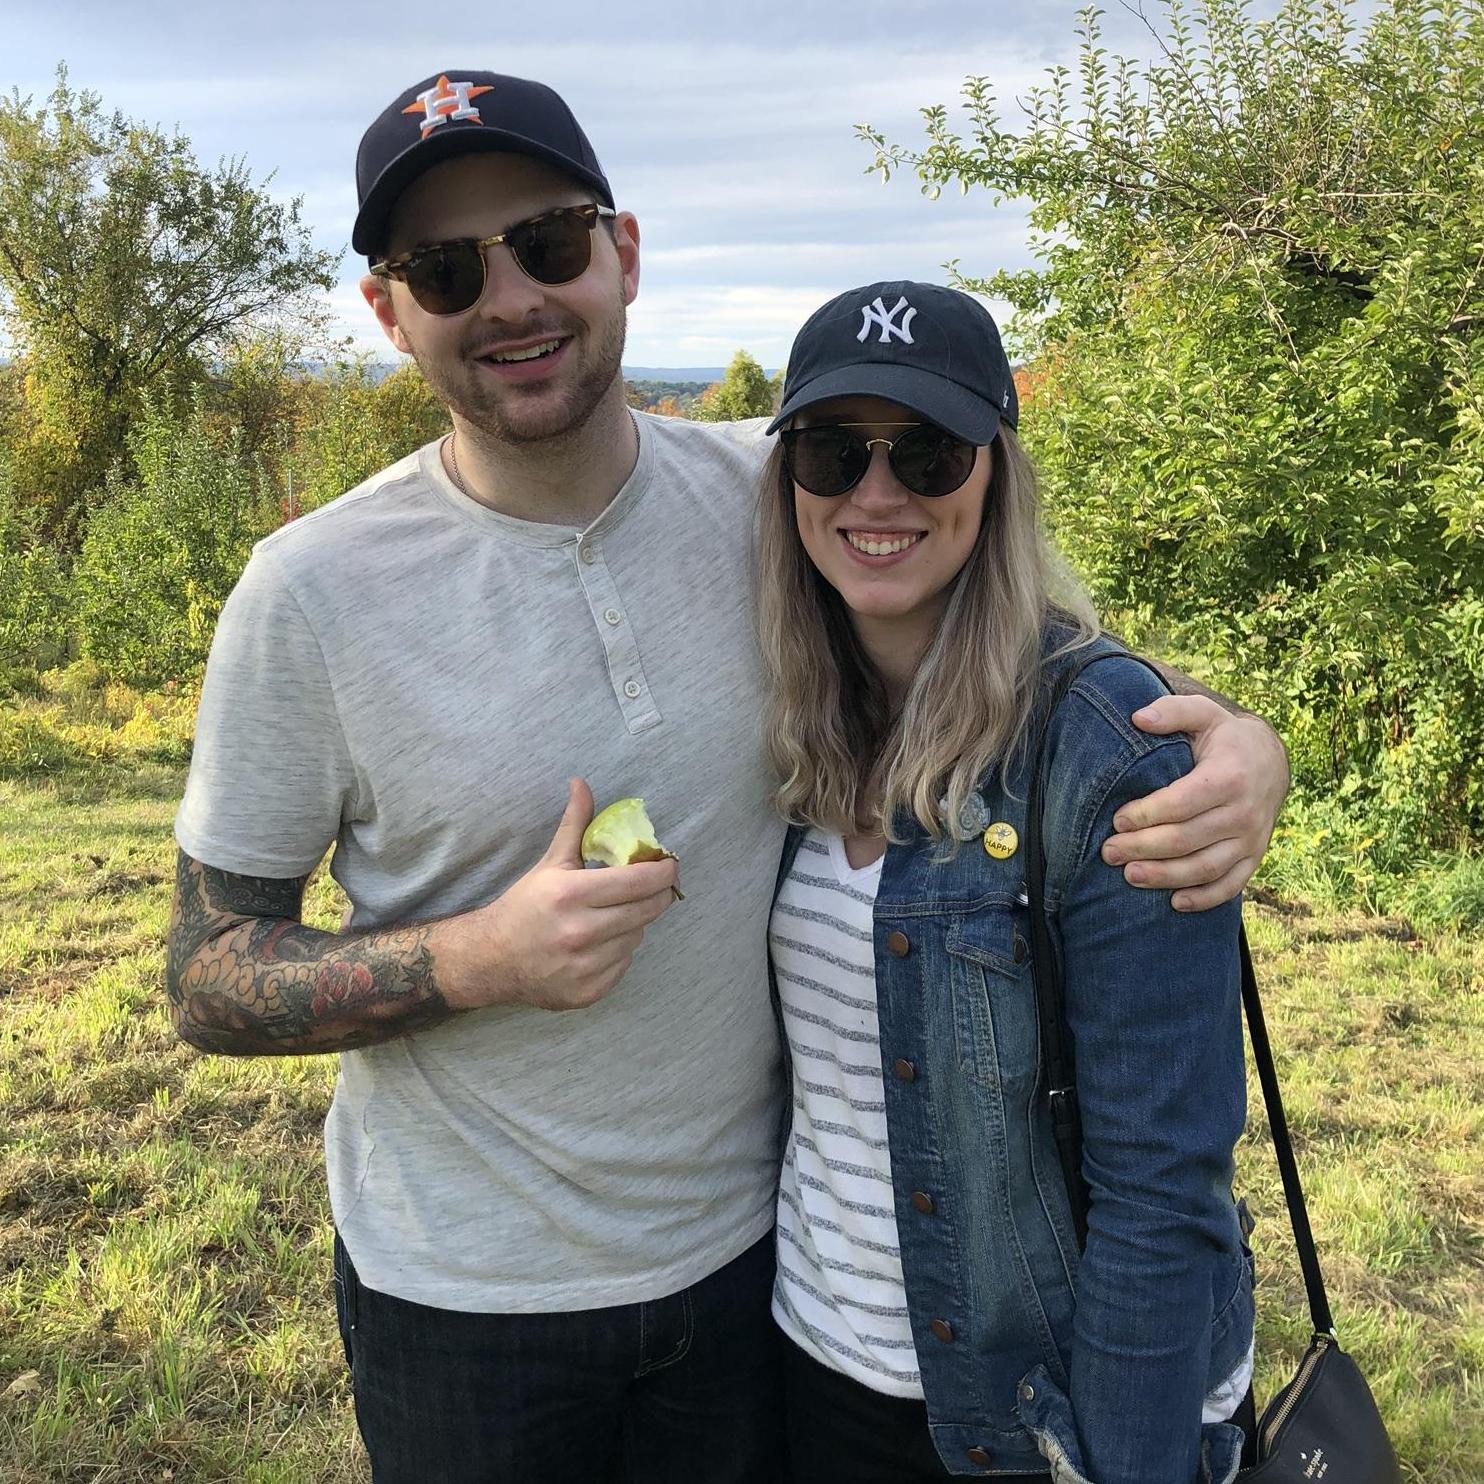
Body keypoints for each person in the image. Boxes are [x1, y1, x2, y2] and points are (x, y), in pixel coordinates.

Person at [164, 72, 1283, 1484]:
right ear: (390, 313)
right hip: (465, 1302)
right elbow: (206, 973)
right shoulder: (308, 592)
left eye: (547, 243)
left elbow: (990, 608)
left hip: (752, 1283)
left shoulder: (763, 496)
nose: (511, 298)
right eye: (446, 270)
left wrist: (1234, 743)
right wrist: (475, 959)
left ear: (622, 254)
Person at [756, 280, 1255, 1484]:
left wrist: (1125, 1460)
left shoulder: (1105, 751)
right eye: (832, 450)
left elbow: (1161, 1190)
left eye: (927, 451)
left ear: (994, 475)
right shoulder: (789, 724)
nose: (876, 493)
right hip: (813, 1368)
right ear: (787, 481)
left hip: (1038, 1416)